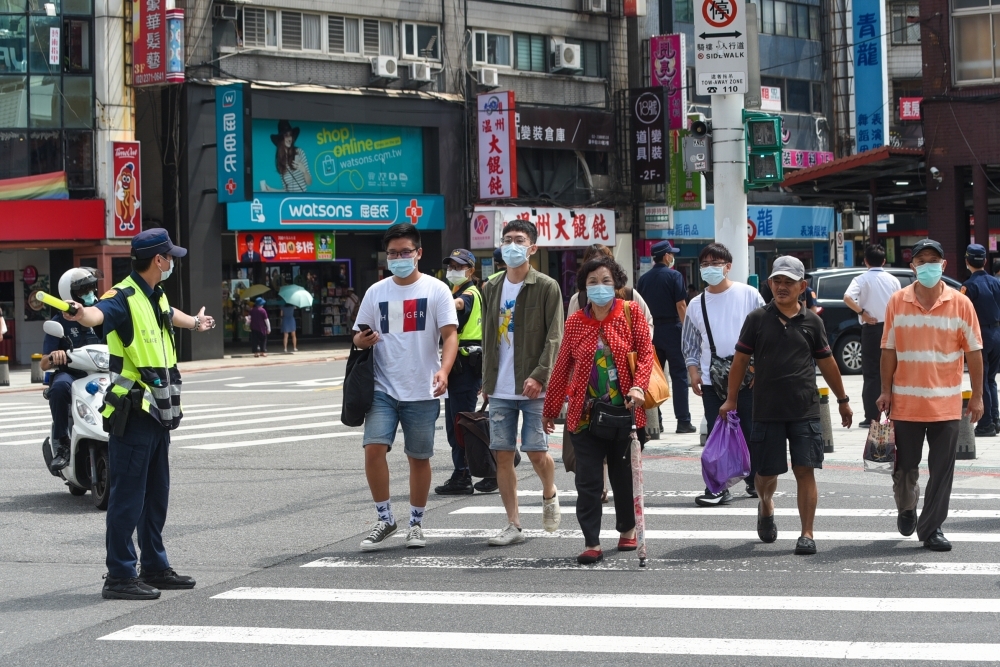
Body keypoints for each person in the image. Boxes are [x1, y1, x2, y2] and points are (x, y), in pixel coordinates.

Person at [62, 228, 216, 600]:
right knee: (127, 498)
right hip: (132, 412)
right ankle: (119, 575)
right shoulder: (123, 296)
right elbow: (97, 315)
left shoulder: (155, 294)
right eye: (170, 257)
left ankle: (155, 566)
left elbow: (169, 313)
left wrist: (195, 323)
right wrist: (83, 314)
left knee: (155, 495)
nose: (173, 263)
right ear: (158, 261)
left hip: (158, 411)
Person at [721, 255, 853, 556]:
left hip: (804, 408)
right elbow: (740, 361)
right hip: (766, 409)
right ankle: (766, 505)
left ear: (802, 286)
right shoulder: (756, 319)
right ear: (769, 284)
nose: (782, 287)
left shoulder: (813, 322)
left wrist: (843, 400)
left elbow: (829, 363)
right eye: (777, 281)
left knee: (805, 469)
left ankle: (807, 533)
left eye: (789, 282)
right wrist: (731, 399)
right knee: (767, 475)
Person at [352, 223, 458, 551]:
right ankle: (385, 518)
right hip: (382, 387)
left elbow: (449, 334)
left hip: (422, 388)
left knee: (419, 458)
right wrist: (361, 339)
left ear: (419, 254)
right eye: (393, 253)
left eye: (405, 252)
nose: (398, 258)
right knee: (373, 449)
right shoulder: (376, 292)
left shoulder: (436, 290)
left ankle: (416, 522)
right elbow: (357, 336)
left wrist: (444, 370)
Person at [542, 255, 654, 564]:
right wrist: (550, 409)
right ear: (583, 289)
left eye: (606, 281)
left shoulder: (631, 313)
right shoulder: (576, 321)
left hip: (626, 414)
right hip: (584, 416)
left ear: (617, 284)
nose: (600, 287)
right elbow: (563, 364)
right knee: (587, 482)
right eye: (592, 282)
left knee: (623, 478)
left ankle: (627, 530)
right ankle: (591, 541)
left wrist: (638, 386)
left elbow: (646, 354)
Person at [878, 239, 984, 551]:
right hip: (906, 403)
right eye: (921, 260)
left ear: (944, 265)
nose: (927, 265)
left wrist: (977, 396)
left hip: (947, 404)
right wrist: (885, 390)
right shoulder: (897, 301)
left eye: (933, 260)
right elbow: (888, 350)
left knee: (942, 472)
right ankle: (907, 506)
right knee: (905, 468)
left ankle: (932, 527)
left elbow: (975, 352)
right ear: (912, 266)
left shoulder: (961, 303)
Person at [482, 219, 564, 546]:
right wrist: (486, 381)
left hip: (534, 385)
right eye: (507, 239)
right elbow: (490, 338)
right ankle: (513, 524)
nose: (511, 245)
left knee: (535, 451)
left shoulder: (546, 286)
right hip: (499, 388)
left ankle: (549, 491)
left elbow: (554, 336)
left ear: (532, 247)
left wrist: (540, 375)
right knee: (502, 454)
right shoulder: (490, 288)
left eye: (519, 240)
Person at [683, 243, 765, 506]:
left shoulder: (749, 295)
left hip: (749, 377)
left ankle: (755, 479)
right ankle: (717, 486)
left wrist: (761, 371)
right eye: (705, 264)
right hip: (711, 380)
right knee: (717, 434)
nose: (710, 268)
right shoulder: (696, 304)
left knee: (751, 430)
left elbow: (766, 335)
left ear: (728, 266)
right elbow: (691, 343)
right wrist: (693, 372)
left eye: (716, 263)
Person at [435, 249, 495, 495]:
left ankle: (464, 474)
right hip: (462, 369)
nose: (453, 270)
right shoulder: (458, 292)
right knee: (463, 423)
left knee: (461, 425)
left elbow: (459, 305)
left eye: (459, 267)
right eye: (450, 266)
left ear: (470, 271)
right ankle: (489, 471)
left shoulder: (467, 294)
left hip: (465, 369)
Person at [41, 267, 102, 471]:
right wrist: (54, 357)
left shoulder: (100, 314)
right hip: (72, 374)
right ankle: (62, 444)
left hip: (102, 371)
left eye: (92, 287)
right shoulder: (58, 322)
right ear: (70, 295)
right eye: (83, 290)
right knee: (58, 389)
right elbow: (43, 363)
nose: (90, 293)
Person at [636, 240, 695, 434]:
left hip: (652, 331)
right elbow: (681, 306)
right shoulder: (675, 276)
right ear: (666, 256)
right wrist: (688, 330)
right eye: (672, 254)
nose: (673, 257)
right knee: (678, 376)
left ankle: (656, 422)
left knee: (654, 376)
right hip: (673, 330)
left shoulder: (643, 280)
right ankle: (683, 421)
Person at [843, 244, 901, 428]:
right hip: (891, 329)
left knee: (870, 373)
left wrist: (862, 313)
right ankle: (894, 413)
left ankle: (871, 416)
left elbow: (847, 298)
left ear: (865, 261)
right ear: (884, 261)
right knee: (892, 371)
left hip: (870, 328)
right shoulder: (893, 280)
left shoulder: (860, 279)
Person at [962, 244, 1000, 436]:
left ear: (967, 261)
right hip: (996, 333)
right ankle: (994, 418)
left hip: (979, 337)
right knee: (991, 379)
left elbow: (960, 315)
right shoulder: (996, 282)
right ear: (985, 261)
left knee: (980, 380)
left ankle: (986, 424)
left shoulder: (968, 287)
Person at [269, 119, 312, 192]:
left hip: (302, 201)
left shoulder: (299, 152)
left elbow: (309, 182)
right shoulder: (281, 160)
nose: (289, 139)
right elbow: (286, 190)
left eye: (290, 135)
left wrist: (304, 170)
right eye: (286, 135)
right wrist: (271, 190)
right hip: (291, 201)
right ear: (281, 139)